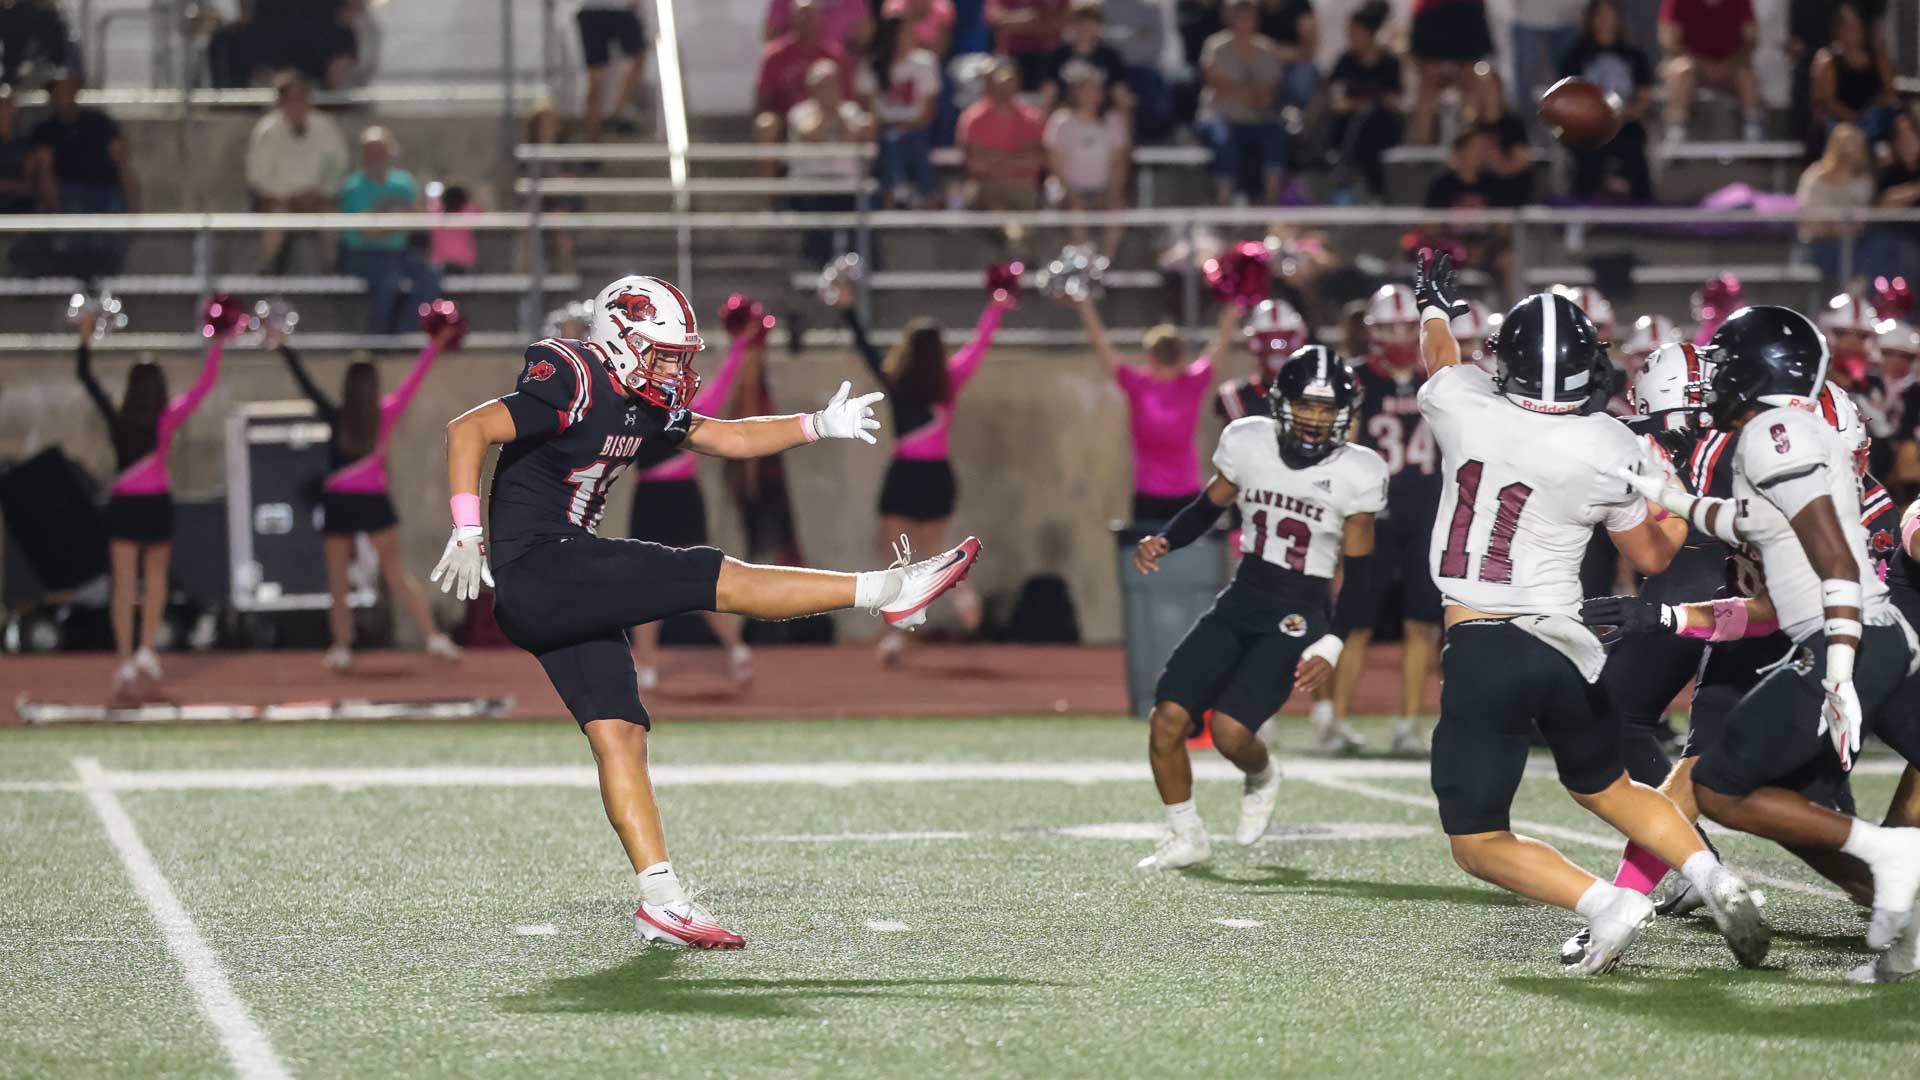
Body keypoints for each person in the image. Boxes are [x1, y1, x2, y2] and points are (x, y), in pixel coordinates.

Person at [434, 274, 980, 949]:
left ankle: (661, 902)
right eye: (664, 354)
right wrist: (468, 529)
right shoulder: (573, 377)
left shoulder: (642, 401)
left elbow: (726, 437)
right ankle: (886, 592)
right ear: (622, 340)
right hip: (544, 568)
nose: (675, 370)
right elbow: (468, 429)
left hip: (564, 584)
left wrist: (816, 425)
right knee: (703, 573)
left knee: (620, 735)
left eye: (679, 357)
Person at [1409, 248, 1769, 975]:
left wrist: (1433, 307)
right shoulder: (1608, 442)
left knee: (1477, 841)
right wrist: (1670, 490)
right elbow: (1654, 556)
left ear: (1506, 364)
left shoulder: (1459, 404)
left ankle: (1607, 903)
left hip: (1483, 643)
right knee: (1611, 788)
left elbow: (1441, 357)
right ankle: (1712, 876)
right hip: (1568, 646)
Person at [1616, 304, 1920, 969]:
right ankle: (1894, 894)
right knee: (1771, 801)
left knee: (1731, 787)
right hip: (1815, 639)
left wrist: (1838, 673)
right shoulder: (1756, 456)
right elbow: (1761, 587)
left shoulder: (1798, 457)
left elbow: (1832, 579)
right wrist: (1672, 610)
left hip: (1849, 643)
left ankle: (1895, 858)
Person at [1132, 345, 1386, 869]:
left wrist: (1333, 641)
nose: (1316, 419)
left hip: (1300, 610)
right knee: (1167, 719)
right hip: (1244, 594)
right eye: (1306, 405)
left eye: (1327, 408)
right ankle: (1186, 835)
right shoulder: (1248, 441)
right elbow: (1208, 506)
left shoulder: (1357, 471)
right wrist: (1167, 538)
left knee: (1230, 733)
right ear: (1281, 403)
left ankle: (1264, 774)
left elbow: (1361, 574)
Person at [828, 275, 1009, 664]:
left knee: (898, 556)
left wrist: (847, 308)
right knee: (933, 549)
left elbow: (867, 350)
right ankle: (959, 592)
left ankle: (898, 632)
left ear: (908, 350)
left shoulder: (898, 381)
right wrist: (997, 306)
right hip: (938, 475)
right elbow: (979, 345)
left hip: (906, 473)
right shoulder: (949, 381)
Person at [277, 306, 463, 670]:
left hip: (339, 502)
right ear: (374, 386)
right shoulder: (385, 411)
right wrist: (435, 344)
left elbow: (306, 385)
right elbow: (414, 379)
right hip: (373, 500)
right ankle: (433, 638)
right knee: (396, 574)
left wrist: (284, 347)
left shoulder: (337, 415)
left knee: (337, 581)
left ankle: (341, 647)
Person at [76, 307, 226, 693]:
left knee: (124, 585)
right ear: (159, 388)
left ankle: (126, 659)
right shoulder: (167, 419)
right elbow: (206, 383)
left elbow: (85, 376)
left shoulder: (118, 419)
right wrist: (217, 340)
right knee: (156, 579)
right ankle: (147, 649)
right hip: (157, 504)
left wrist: (86, 335)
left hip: (125, 506)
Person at [627, 302, 770, 692]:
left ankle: (733, 650)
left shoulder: (677, 412)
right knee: (655, 582)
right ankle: (652, 662)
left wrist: (740, 346)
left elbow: (722, 385)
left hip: (673, 498)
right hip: (660, 497)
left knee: (685, 581)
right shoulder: (638, 407)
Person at [1326, 283, 1439, 756]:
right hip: (1371, 517)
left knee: (1422, 624)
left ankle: (1409, 722)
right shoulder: (1355, 379)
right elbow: (1341, 451)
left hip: (1428, 515)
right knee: (1355, 621)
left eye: (1408, 327)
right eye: (1390, 328)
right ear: (1372, 331)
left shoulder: (1441, 377)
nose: (1400, 336)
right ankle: (1336, 721)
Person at [1074, 296, 1238, 522]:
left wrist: (1084, 305)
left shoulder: (1139, 384)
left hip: (1150, 495)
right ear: (1182, 356)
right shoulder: (1191, 383)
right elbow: (1221, 342)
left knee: (1146, 545)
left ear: (1151, 357)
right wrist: (1234, 302)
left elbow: (1102, 346)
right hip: (1184, 493)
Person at [32, 72, 139, 276]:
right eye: (59, 91)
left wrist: (133, 206)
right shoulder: (46, 130)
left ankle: (108, 282)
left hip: (107, 192)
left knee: (112, 239)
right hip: (71, 194)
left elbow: (122, 163)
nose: (64, 96)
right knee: (77, 245)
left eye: (68, 89)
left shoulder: (99, 122)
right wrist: (55, 211)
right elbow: (45, 174)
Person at [338, 126, 441, 336]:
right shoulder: (353, 187)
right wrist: (397, 220)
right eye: (371, 152)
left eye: (381, 151)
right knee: (389, 281)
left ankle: (405, 335)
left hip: (398, 253)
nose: (376, 157)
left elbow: (417, 221)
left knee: (430, 277)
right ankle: (378, 340)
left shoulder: (404, 183)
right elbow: (368, 232)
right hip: (362, 254)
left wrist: (386, 221)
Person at [246, 72, 349, 274]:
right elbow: (259, 175)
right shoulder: (267, 131)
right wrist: (289, 197)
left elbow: (338, 167)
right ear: (281, 102)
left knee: (335, 220)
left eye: (301, 98)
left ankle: (331, 272)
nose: (297, 105)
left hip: (318, 200)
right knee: (275, 222)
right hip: (280, 202)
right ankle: (269, 273)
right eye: (290, 99)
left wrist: (320, 194)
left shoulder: (326, 128)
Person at [1559, 0, 1656, 203]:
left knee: (1633, 148)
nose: (1605, 21)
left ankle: (1642, 204)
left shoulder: (1634, 55)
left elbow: (1645, 96)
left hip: (1626, 122)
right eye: (1600, 15)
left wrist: (1626, 113)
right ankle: (1582, 204)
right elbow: (1568, 96)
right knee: (1587, 151)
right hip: (1588, 124)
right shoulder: (1575, 55)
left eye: (1610, 15)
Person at [1196, 0, 1287, 206]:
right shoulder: (1215, 46)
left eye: (1249, 16)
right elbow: (1214, 81)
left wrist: (1236, 89)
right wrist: (1249, 89)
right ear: (1231, 19)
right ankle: (1224, 201)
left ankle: (1271, 200)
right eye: (1240, 16)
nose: (1245, 22)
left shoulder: (1266, 48)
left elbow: (1268, 96)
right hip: (1219, 116)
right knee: (1223, 139)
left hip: (1257, 119)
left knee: (1275, 136)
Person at [1043, 60, 1130, 256]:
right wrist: (1070, 192)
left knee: (1116, 207)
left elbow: (1118, 162)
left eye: (1097, 89)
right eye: (1087, 90)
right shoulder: (1061, 121)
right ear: (1075, 92)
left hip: (1103, 189)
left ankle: (1105, 262)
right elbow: (1054, 163)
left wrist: (1112, 191)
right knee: (1075, 208)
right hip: (1067, 190)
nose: (1093, 95)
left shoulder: (1113, 120)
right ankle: (1084, 261)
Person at [1325, 0, 1403, 204]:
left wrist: (1371, 104)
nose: (1350, 37)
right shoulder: (1345, 60)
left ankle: (1356, 187)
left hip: (1381, 124)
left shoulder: (1389, 61)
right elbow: (1334, 96)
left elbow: (1396, 99)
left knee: (1371, 125)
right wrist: (1354, 105)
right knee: (1359, 129)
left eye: (1355, 32)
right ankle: (1372, 191)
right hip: (1349, 123)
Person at [753, 0, 855, 151]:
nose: (805, 20)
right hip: (787, 118)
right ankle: (769, 168)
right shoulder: (775, 56)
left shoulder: (835, 54)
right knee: (766, 123)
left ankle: (849, 165)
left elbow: (846, 97)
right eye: (801, 15)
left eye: (810, 15)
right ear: (791, 18)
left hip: (829, 115)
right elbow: (762, 99)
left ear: (819, 18)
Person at [1658, 0, 1764, 144]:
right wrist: (1702, 64)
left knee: (1747, 76)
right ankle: (1676, 129)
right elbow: (1668, 41)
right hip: (1692, 66)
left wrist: (1726, 64)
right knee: (1683, 71)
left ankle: (1753, 128)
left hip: (1730, 66)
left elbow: (1751, 39)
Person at [869, 15, 941, 209]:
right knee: (892, 139)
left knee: (904, 141)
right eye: (904, 32)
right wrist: (889, 127)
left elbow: (928, 111)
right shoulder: (874, 63)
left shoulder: (926, 62)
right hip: (883, 128)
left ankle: (891, 198)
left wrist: (905, 127)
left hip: (917, 127)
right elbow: (869, 109)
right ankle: (928, 195)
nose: (911, 36)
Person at [956, 59, 1047, 210]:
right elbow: (974, 163)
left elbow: (1037, 160)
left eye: (1007, 81)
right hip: (984, 184)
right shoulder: (972, 118)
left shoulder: (1032, 118)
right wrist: (1014, 159)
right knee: (976, 196)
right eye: (994, 81)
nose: (1002, 87)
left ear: (1016, 82)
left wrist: (997, 159)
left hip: (1022, 186)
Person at [1809, 2, 1899, 150]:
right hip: (1841, 123)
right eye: (1848, 26)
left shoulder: (1877, 58)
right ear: (1838, 29)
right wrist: (1855, 118)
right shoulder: (1828, 59)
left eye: (1856, 25)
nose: (1853, 30)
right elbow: (1828, 101)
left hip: (1872, 122)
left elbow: (1890, 92)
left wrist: (1870, 111)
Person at [1795, 123, 1874, 286]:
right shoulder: (1815, 177)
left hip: (1855, 243)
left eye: (1855, 146)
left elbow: (1862, 221)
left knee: (1875, 248)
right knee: (1841, 253)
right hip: (1819, 243)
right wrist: (1838, 227)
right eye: (1846, 146)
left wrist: (1843, 226)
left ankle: (1858, 295)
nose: (1850, 152)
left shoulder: (1864, 180)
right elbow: (1810, 219)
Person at [1406, 0, 1492, 145]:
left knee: (1469, 82)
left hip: (1466, 11)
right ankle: (1421, 141)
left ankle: (1473, 140)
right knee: (1429, 83)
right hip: (1432, 10)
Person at [576, 0, 652, 142]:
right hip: (593, 10)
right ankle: (593, 135)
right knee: (596, 77)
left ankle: (618, 112)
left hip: (620, 9)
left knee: (639, 58)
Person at [1040, 0, 1132, 113]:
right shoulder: (1059, 55)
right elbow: (1049, 91)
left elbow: (1120, 93)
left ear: (1100, 26)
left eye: (1091, 22)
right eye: (1081, 22)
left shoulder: (1110, 56)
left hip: (1101, 116)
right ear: (1071, 25)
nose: (1086, 28)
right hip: (1067, 114)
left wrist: (1125, 119)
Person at [1864, 109, 1920, 285]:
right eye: (1902, 140)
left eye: (1911, 139)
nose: (1907, 145)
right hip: (1896, 238)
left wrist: (1902, 196)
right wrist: (1915, 190)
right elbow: (1883, 204)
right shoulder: (1889, 173)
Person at [1510, 0, 1583, 114]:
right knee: (1525, 78)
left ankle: (1570, 119)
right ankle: (1521, 121)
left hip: (1570, 13)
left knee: (1569, 80)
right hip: (1528, 15)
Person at [987, 0, 1068, 91]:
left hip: (1046, 59)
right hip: (1009, 58)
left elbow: (1057, 23)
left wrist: (1014, 21)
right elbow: (997, 20)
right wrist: (1030, 17)